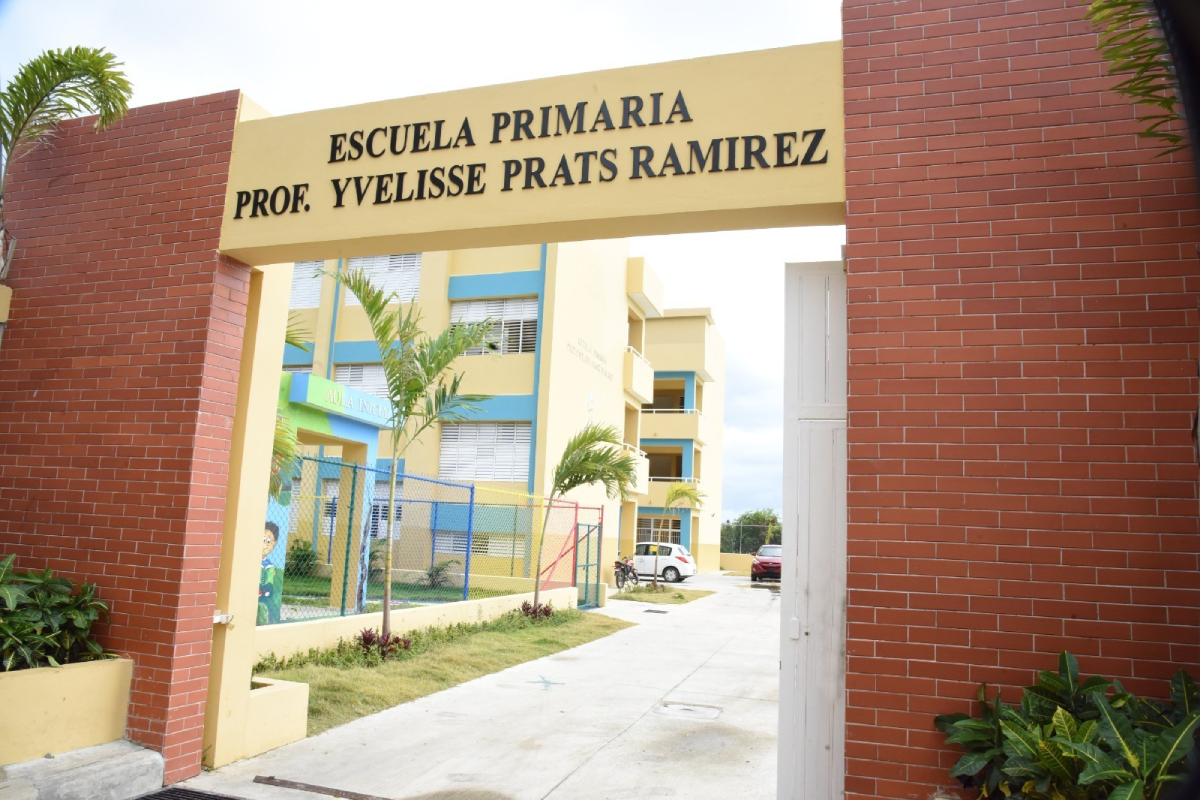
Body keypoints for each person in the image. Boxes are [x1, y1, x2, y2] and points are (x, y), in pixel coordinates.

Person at [258, 522, 284, 624]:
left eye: (268, 541)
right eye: (263, 540)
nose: (264, 544)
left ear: (274, 543)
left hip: (267, 566)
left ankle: (267, 588)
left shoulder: (270, 564)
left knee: (269, 569)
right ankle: (260, 587)